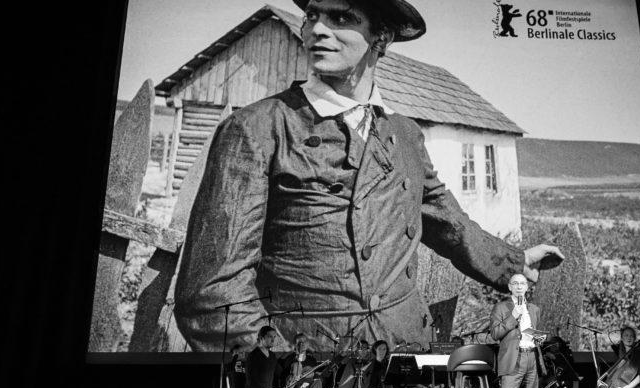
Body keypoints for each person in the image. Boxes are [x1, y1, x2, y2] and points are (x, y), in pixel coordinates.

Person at [173, 0, 565, 352]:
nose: (317, 29)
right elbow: (213, 292)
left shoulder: (405, 134)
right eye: (312, 15)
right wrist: (275, 370)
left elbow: (448, 222)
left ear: (381, 38)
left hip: (405, 348)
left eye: (341, 18)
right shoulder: (257, 128)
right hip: (308, 361)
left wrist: (515, 263)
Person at [490, 274, 549, 388]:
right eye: (515, 283)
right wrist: (513, 316)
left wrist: (539, 337)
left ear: (527, 287)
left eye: (522, 283)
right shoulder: (501, 307)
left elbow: (530, 331)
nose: (519, 286)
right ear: (510, 287)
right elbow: (495, 333)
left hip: (531, 357)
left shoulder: (534, 309)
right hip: (513, 359)